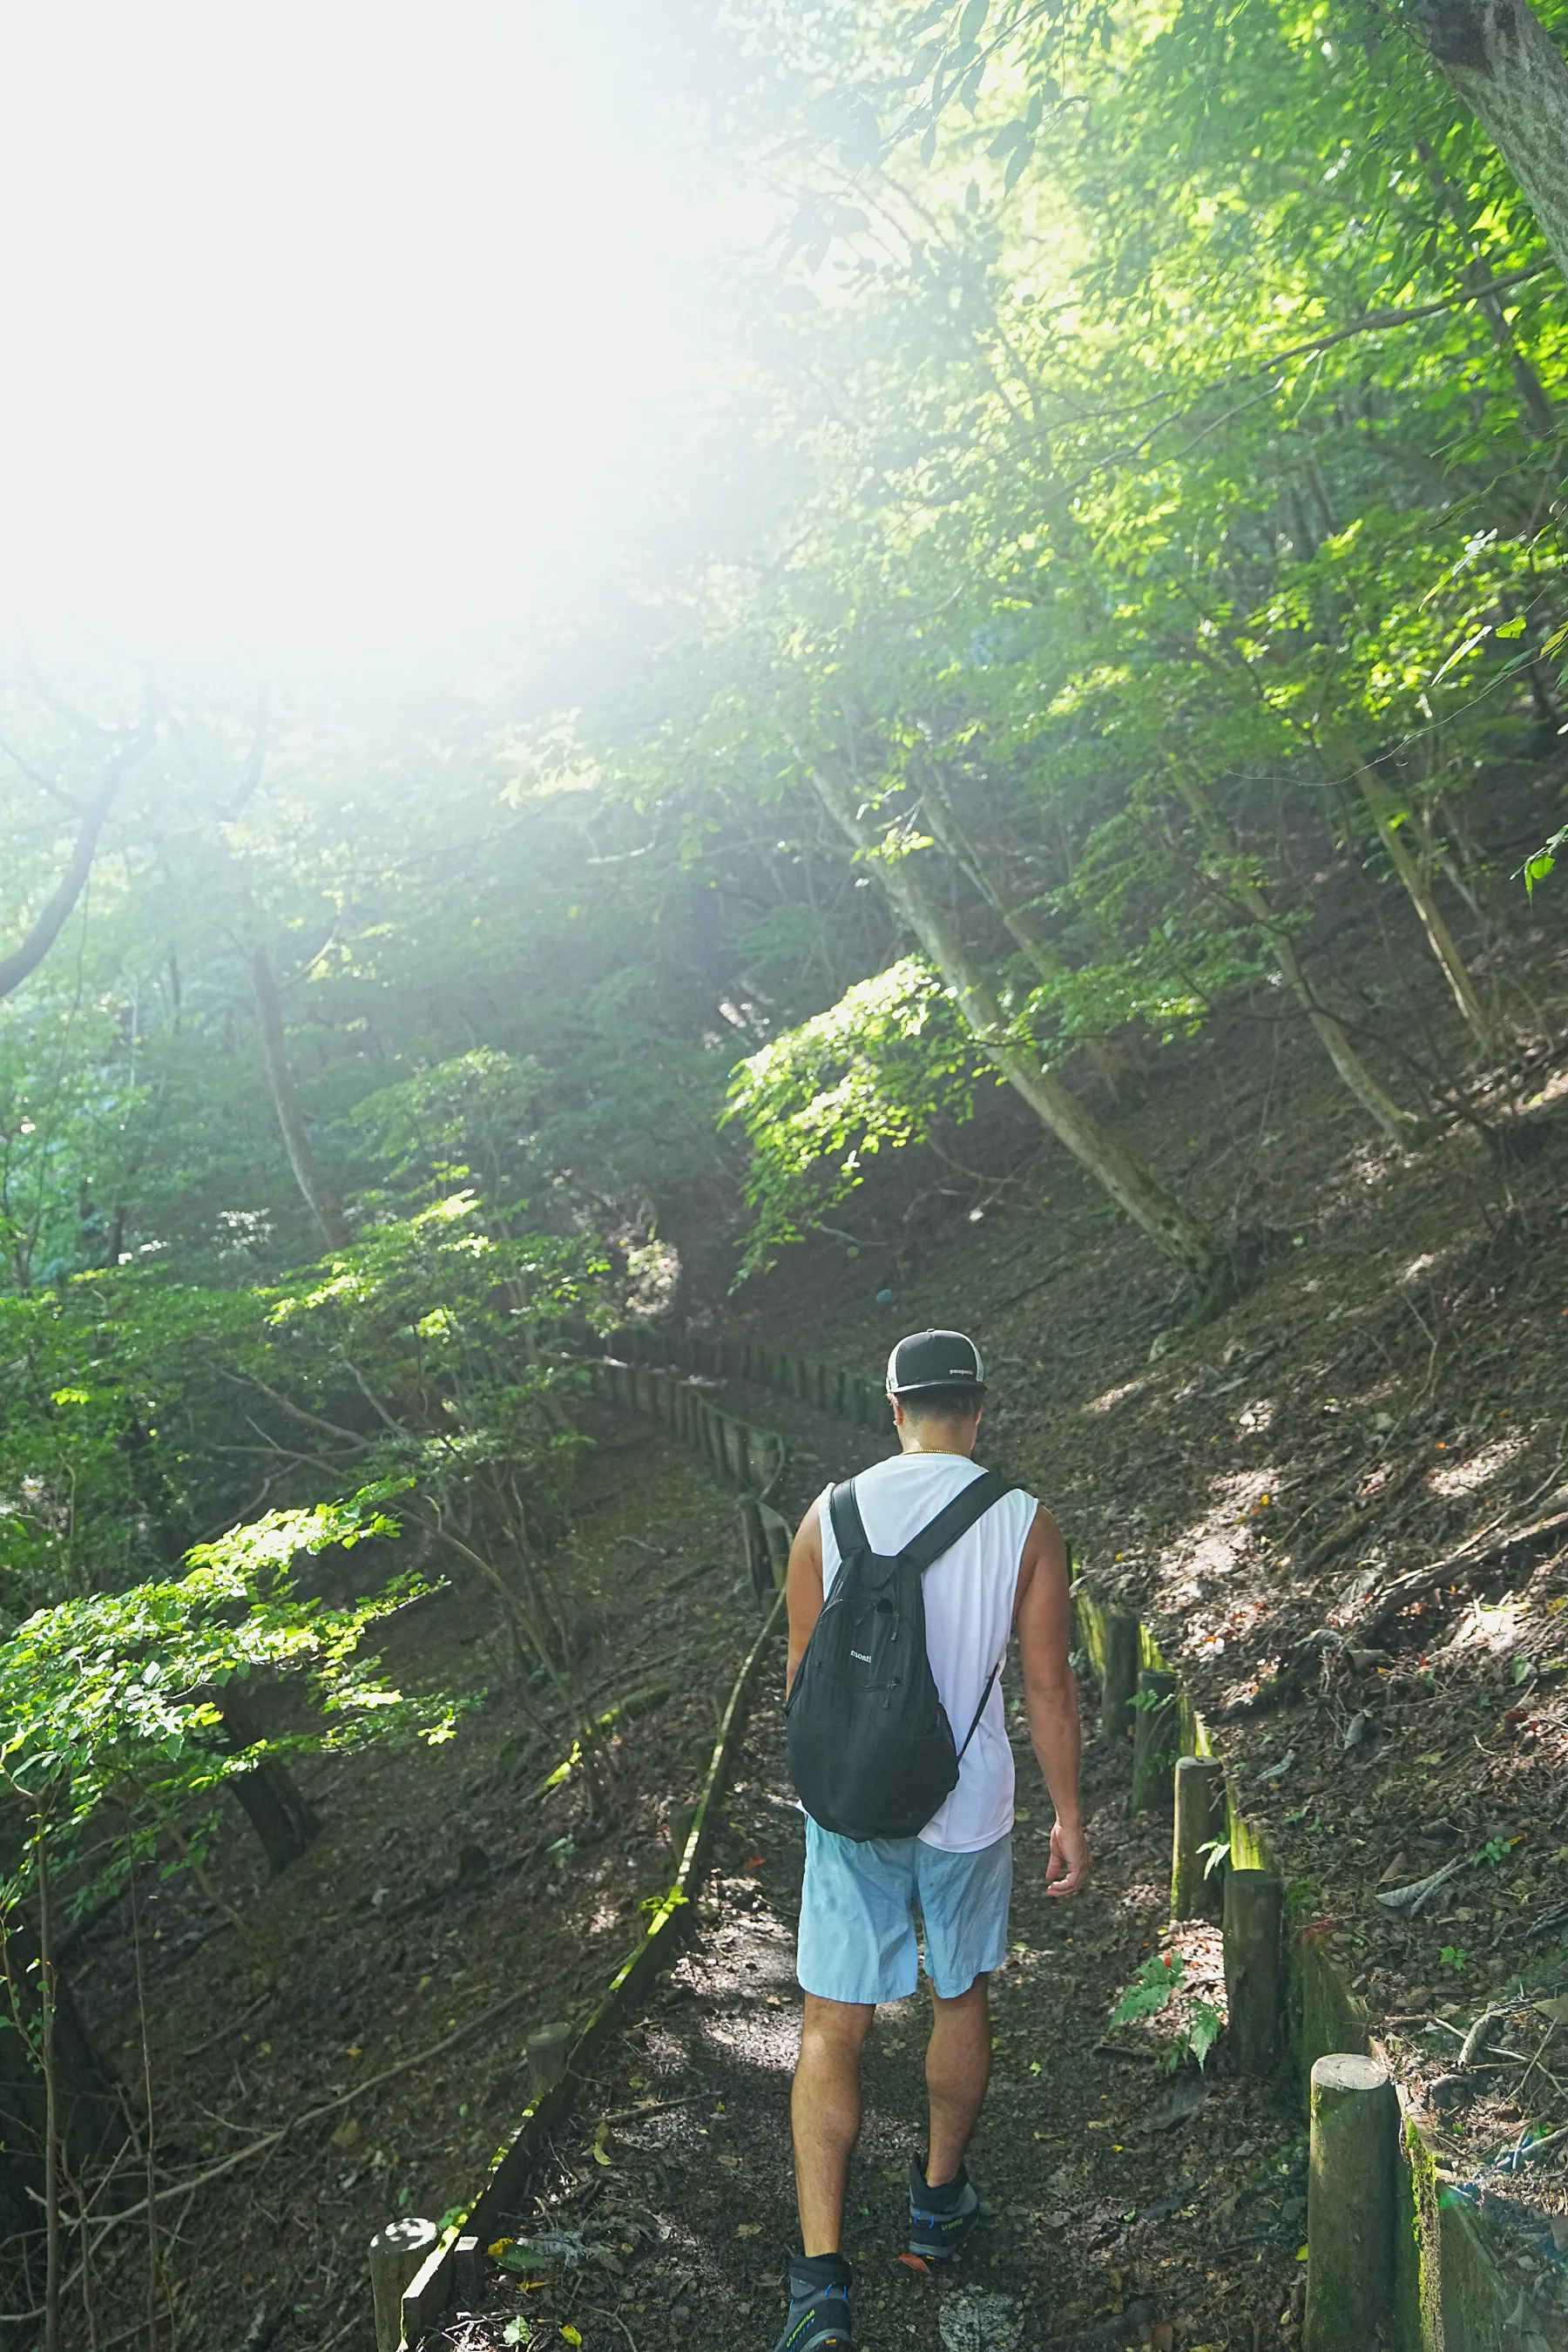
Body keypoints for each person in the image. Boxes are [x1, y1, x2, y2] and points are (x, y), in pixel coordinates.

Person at [774, 1328, 1090, 2352]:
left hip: (851, 1807)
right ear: (980, 1408)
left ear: (894, 1407)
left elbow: (801, 1682)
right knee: (961, 1992)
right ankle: (937, 2203)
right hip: (967, 1806)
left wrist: (832, 1794)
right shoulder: (1025, 1521)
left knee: (832, 2024)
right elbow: (1046, 1685)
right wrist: (1069, 1814)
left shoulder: (830, 1512)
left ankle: (820, 2286)